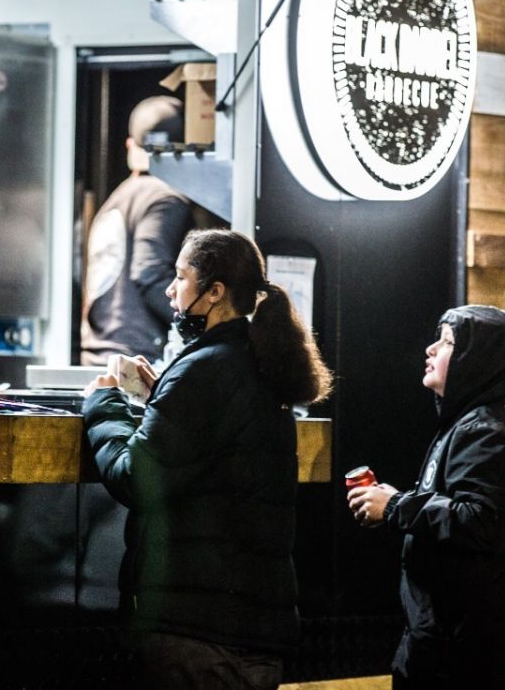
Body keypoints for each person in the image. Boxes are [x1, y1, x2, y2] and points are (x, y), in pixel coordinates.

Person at [82, 229, 332, 689]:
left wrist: (104, 405)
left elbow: (134, 477)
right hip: (257, 637)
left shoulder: (203, 371)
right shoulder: (260, 366)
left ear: (215, 292)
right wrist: (163, 396)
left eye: (180, 278)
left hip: (196, 634)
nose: (170, 291)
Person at [347, 305, 505, 689]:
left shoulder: (484, 433)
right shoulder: (463, 427)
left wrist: (396, 506)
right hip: (449, 645)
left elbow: (483, 522)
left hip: (471, 656)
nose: (431, 349)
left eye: (448, 342)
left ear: (478, 361)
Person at [81, 95, 193, 365]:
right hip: (138, 359)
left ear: (130, 145)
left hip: (100, 353)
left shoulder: (116, 199)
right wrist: (196, 324)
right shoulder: (164, 199)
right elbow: (149, 272)